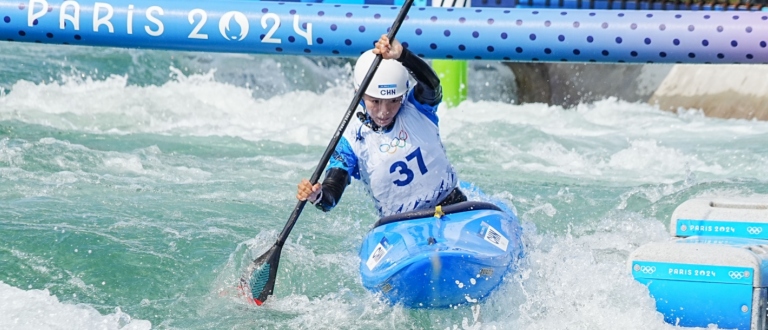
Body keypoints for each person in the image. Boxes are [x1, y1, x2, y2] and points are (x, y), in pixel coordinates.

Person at [296, 34, 466, 218]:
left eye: (393, 101)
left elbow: (432, 85)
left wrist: (403, 55)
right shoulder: (351, 144)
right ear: (359, 95)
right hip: (399, 225)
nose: (384, 111)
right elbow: (332, 192)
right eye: (375, 101)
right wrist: (317, 195)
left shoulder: (417, 109)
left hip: (453, 206)